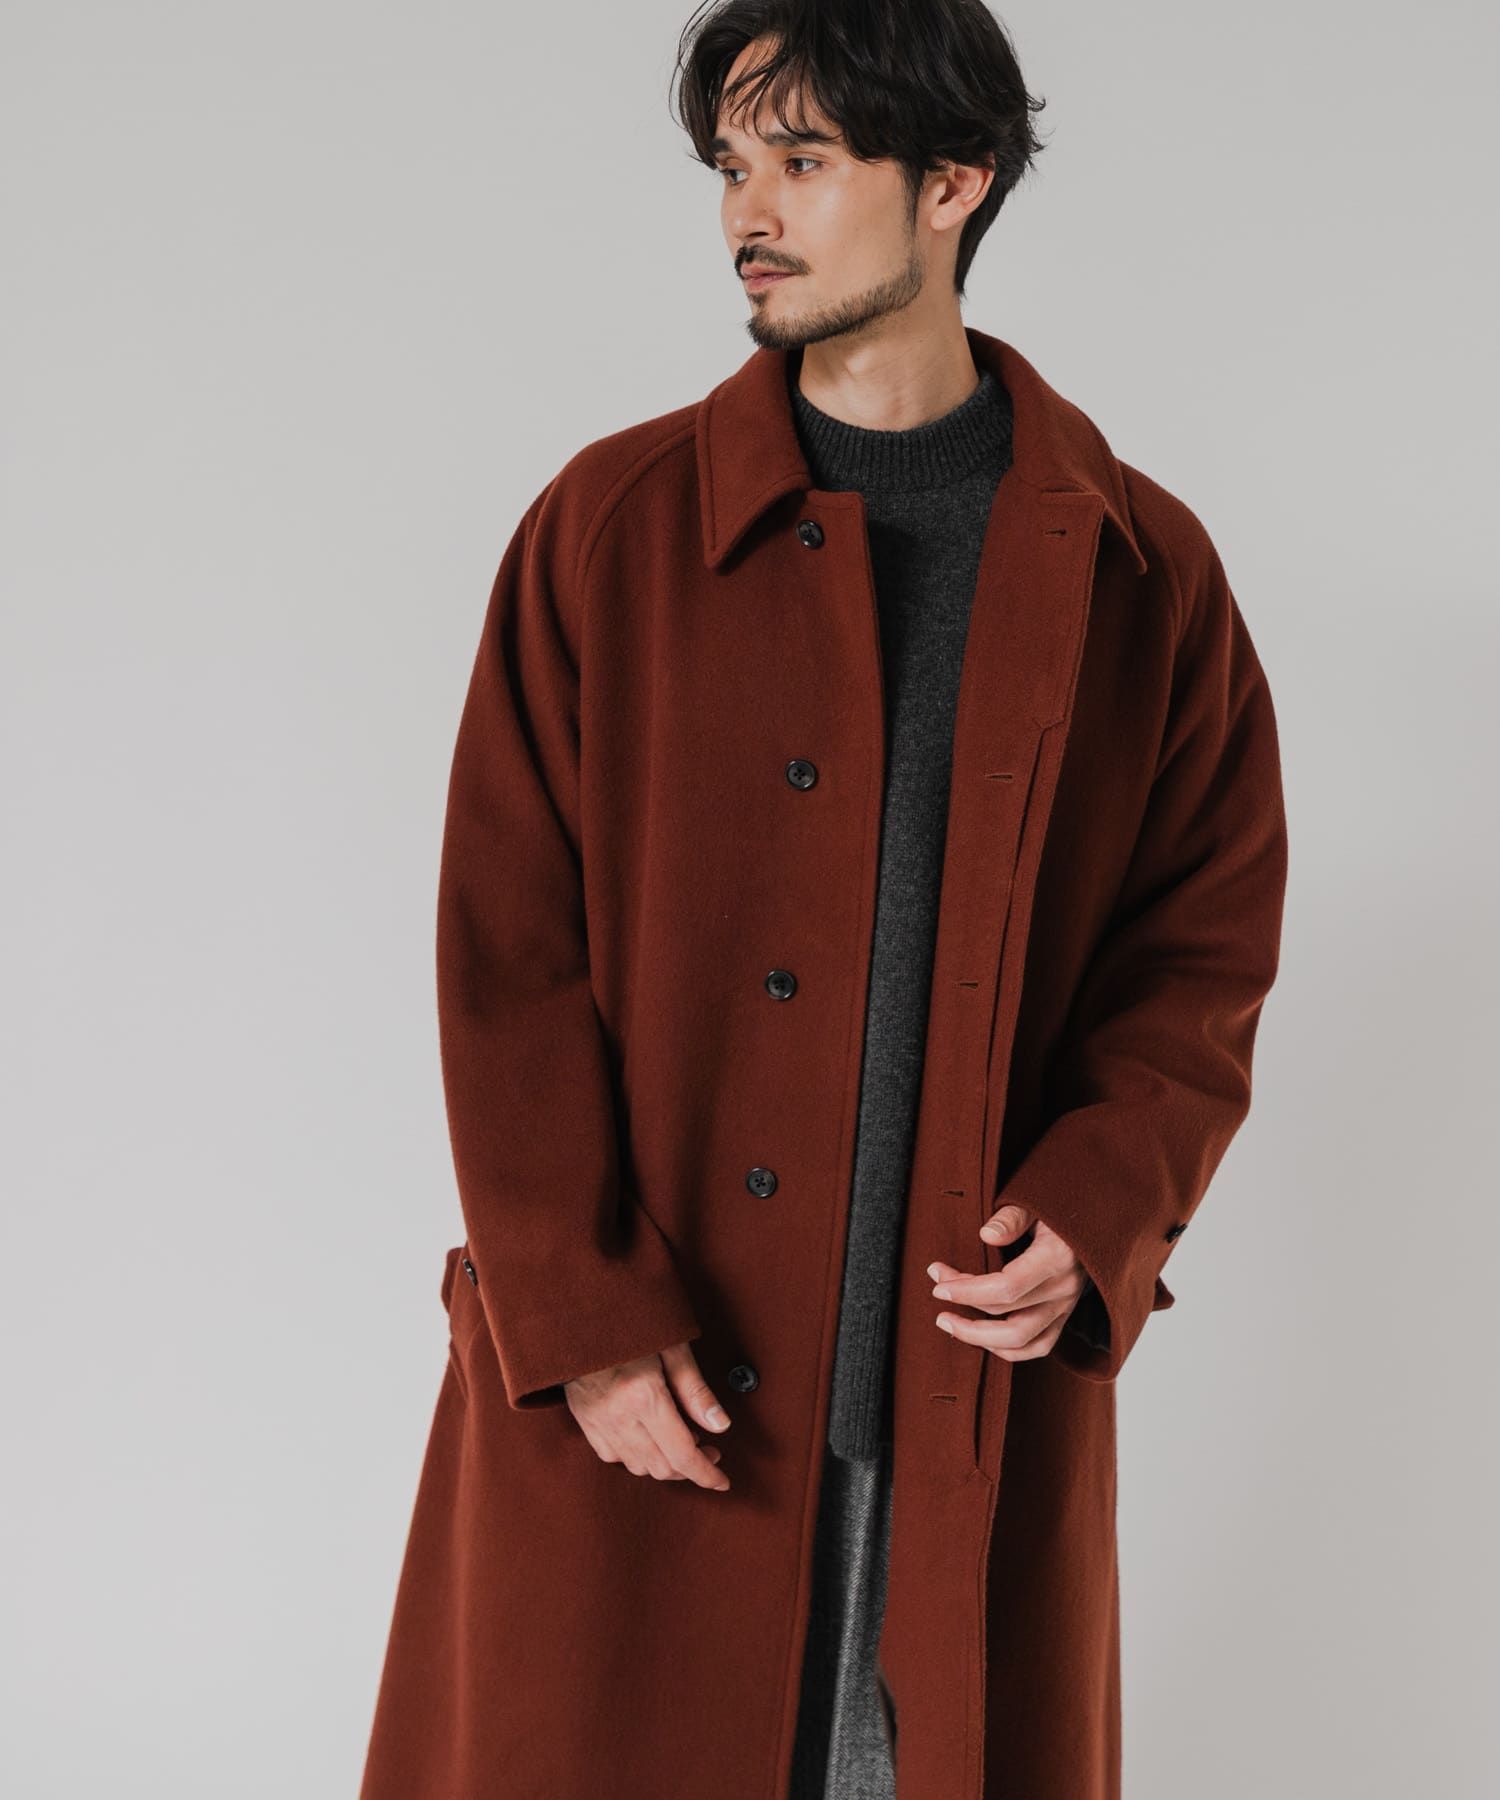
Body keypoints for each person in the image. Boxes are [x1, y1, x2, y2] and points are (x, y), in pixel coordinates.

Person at [359, 5, 1288, 1798]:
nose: (747, 213)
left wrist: (1104, 1203)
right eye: (731, 165)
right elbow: (505, 954)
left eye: (802, 160)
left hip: (955, 1407)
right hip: (660, 1400)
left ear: (954, 183)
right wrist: (579, 1314)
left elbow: (1202, 940)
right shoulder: (611, 531)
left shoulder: (1139, 567)